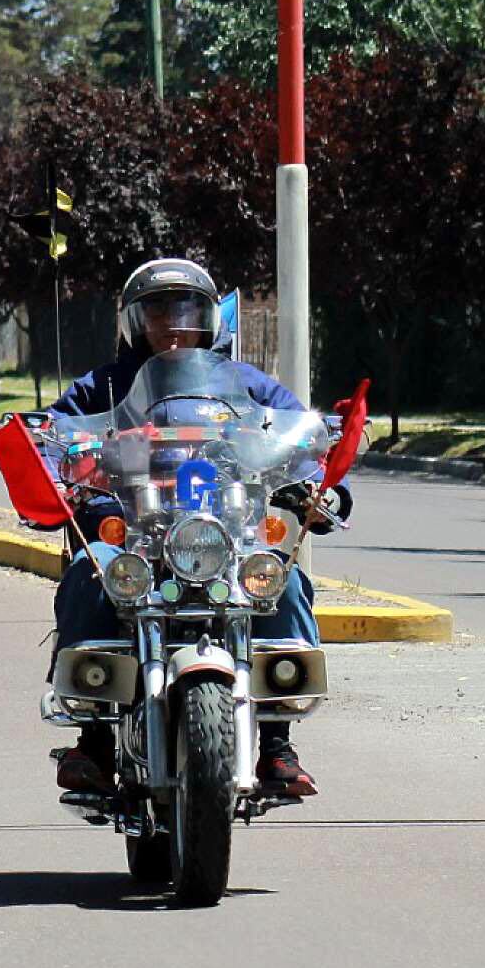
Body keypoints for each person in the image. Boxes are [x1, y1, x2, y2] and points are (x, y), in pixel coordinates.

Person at [43, 258, 347, 798]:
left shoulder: (247, 385)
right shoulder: (103, 385)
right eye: (157, 311)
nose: (171, 323)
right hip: (139, 532)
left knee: (282, 582)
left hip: (226, 532)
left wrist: (320, 486)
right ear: (135, 322)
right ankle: (93, 738)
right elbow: (50, 434)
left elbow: (302, 437)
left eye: (185, 309)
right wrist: (58, 476)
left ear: (209, 319)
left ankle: (276, 742)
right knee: (92, 576)